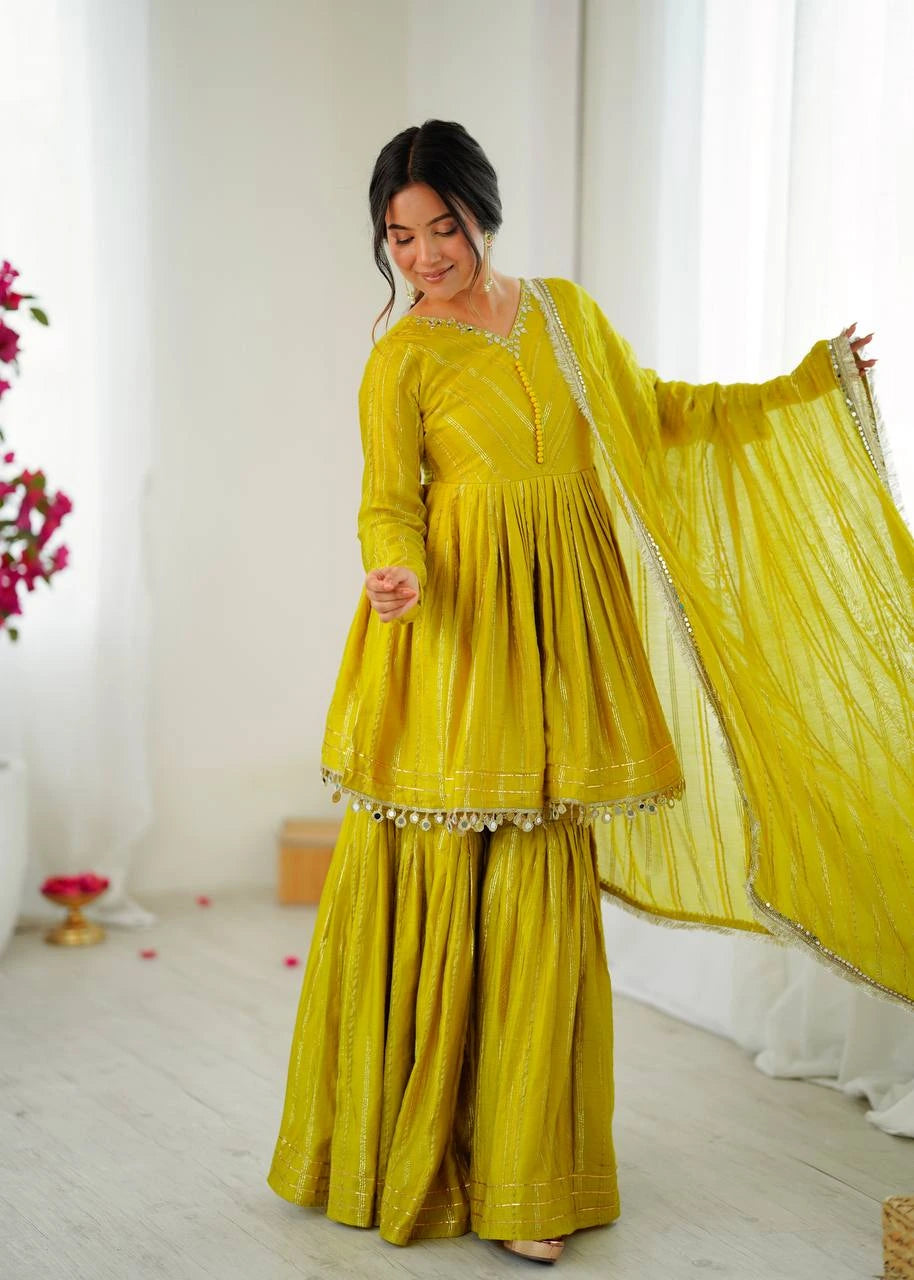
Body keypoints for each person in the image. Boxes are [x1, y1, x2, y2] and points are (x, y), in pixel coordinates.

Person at [267, 120, 911, 1265]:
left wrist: (801, 387)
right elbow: (386, 499)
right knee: (433, 883)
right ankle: (400, 1146)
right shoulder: (399, 357)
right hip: (451, 639)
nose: (423, 254)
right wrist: (395, 567)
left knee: (540, 887)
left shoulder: (563, 314)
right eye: (399, 237)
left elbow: (655, 413)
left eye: (441, 227)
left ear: (481, 212)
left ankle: (528, 1178)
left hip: (560, 639)